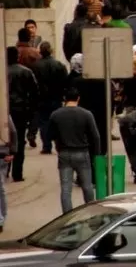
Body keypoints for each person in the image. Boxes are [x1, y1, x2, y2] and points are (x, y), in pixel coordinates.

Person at [47, 88, 100, 213]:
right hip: (82, 153)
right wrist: (96, 155)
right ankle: (91, 213)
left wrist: (58, 144)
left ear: (65, 99)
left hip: (64, 154)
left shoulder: (56, 114)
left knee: (66, 189)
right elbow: (95, 136)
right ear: (78, 98)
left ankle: (67, 216)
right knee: (87, 187)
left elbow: (49, 135)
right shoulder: (86, 114)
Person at [31, 42, 69, 155]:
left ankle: (46, 146)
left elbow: (34, 84)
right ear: (51, 51)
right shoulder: (59, 65)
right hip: (56, 98)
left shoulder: (35, 66)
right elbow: (65, 82)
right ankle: (59, 144)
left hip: (41, 99)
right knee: (57, 122)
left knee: (43, 122)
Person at [7, 47, 36, 182]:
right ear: (17, 56)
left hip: (5, 110)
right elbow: (35, 92)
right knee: (19, 139)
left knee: (4, 140)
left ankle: (5, 169)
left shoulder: (3, 71)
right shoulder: (26, 72)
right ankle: (17, 173)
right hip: (20, 110)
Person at [0, 117, 16, 232]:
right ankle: (2, 217)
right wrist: (12, 151)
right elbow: (13, 131)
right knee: (0, 188)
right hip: (3, 151)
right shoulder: (3, 112)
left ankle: (1, 218)